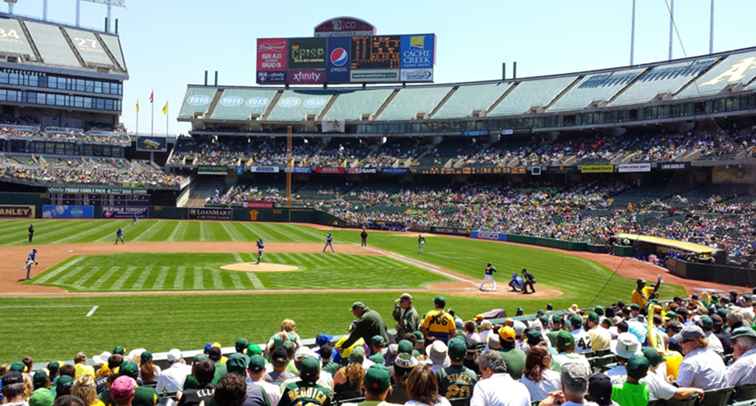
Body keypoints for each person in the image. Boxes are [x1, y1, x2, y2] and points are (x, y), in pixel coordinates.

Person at [675, 325, 728, 390]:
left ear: (695, 342)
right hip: (720, 399)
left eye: (683, 341)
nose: (680, 344)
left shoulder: (690, 362)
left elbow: (681, 391)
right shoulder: (715, 355)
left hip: (704, 399)